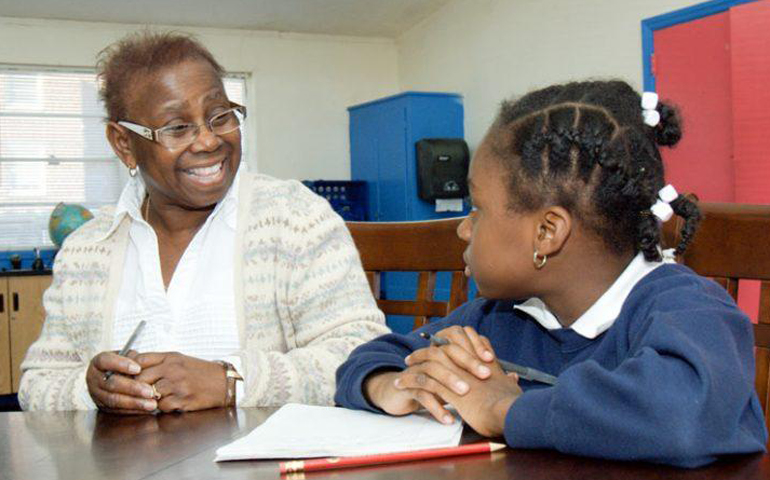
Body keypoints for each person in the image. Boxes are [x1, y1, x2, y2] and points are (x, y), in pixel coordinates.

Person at [335, 80, 768, 467]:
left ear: (547, 233)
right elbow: (374, 357)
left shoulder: (686, 307)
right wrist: (392, 385)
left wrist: (506, 411)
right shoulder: (499, 318)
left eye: (479, 209)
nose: (463, 228)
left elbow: (684, 411)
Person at [19, 31, 389, 413]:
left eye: (220, 116)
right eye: (177, 128)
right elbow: (37, 384)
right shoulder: (85, 251)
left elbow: (362, 358)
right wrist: (89, 390)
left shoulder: (295, 218)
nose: (209, 141)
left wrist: (232, 381)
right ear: (123, 144)